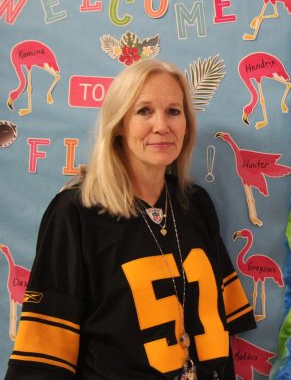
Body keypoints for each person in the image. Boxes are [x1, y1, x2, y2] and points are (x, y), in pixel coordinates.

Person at [5, 60, 256, 379]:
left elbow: (221, 323)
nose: (162, 125)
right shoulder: (75, 213)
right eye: (144, 111)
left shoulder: (195, 204)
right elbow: (44, 358)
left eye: (174, 111)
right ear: (119, 123)